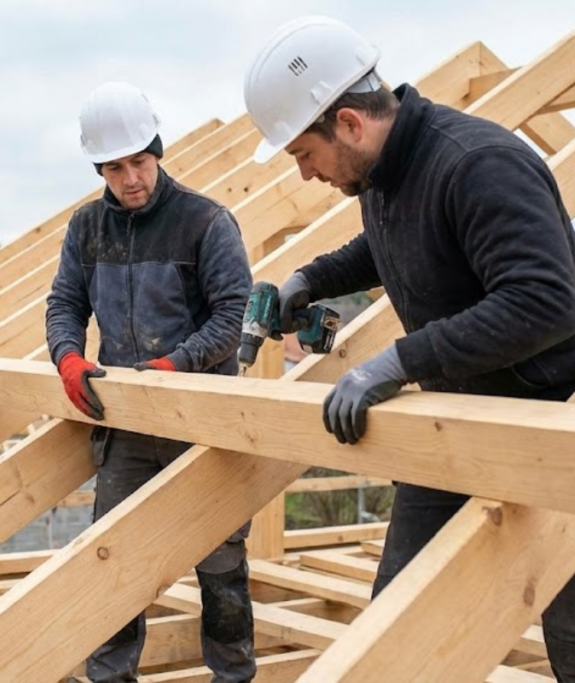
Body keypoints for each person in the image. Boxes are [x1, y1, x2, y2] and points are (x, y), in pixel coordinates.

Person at [244, 16, 575, 679]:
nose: (306, 174)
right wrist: (311, 280)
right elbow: (389, 243)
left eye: (304, 154)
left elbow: (546, 301)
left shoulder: (478, 164)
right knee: (397, 627)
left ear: (348, 122)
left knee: (569, 625)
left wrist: (401, 360)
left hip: (552, 420)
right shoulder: (388, 176)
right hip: (461, 417)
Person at [46, 82, 255, 683]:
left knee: (219, 559)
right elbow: (64, 302)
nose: (130, 177)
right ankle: (111, 677)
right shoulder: (87, 228)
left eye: (139, 161)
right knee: (116, 556)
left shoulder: (205, 221)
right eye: (115, 167)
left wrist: (177, 365)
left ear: (157, 151)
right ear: (100, 167)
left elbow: (231, 313)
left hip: (202, 421)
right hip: (130, 423)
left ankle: (233, 676)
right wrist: (67, 356)